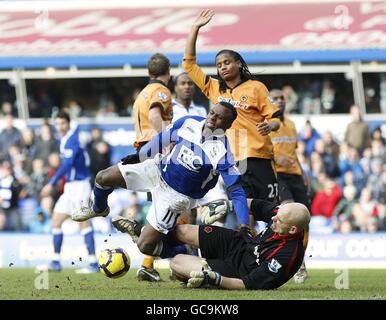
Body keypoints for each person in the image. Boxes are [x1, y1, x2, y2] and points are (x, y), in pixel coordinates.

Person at [73, 102, 250, 265]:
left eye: (219, 117)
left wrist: (244, 226)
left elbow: (236, 190)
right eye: (212, 112)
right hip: (157, 169)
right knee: (103, 177)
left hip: (176, 196)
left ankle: (184, 250)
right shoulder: (189, 122)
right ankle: (99, 208)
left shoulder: (223, 153)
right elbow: (163, 138)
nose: (212, 117)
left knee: (145, 246)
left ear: (228, 125)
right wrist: (141, 155)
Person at [78, 53, 173, 282]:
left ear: (148, 72)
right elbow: (154, 115)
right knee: (171, 214)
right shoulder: (161, 92)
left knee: (105, 179)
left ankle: (147, 262)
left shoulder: (142, 93)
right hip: (155, 156)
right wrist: (166, 142)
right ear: (168, 73)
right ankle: (145, 243)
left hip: (143, 154)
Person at [182, 9, 281, 202]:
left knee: (270, 209)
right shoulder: (214, 88)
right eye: (219, 65)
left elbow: (276, 119)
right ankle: (247, 232)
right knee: (243, 205)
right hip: (231, 158)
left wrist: (270, 126)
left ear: (238, 64)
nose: (223, 67)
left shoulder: (256, 87)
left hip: (259, 157)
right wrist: (194, 28)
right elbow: (189, 65)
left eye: (227, 62)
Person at [115, 198, 310, 290]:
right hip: (239, 244)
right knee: (182, 230)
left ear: (293, 230)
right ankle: (143, 232)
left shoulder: (288, 255)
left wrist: (215, 279)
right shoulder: (281, 214)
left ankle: (177, 251)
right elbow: (254, 205)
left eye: (278, 221)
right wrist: (228, 205)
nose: (272, 220)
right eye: (275, 216)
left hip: (238, 270)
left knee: (176, 262)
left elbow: (249, 284)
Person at [38, 111, 98, 273]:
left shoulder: (71, 140)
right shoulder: (66, 139)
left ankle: (93, 263)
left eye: (62, 123)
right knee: (56, 220)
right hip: (70, 187)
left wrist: (51, 183)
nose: (60, 126)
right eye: (57, 124)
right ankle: (56, 262)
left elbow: (67, 165)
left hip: (79, 186)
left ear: (68, 123)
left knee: (83, 222)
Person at [268, 89, 311, 284]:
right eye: (275, 98)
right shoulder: (267, 124)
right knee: (288, 211)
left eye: (281, 98)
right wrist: (277, 158)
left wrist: (303, 174)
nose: (279, 101)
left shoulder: (292, 125)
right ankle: (283, 257)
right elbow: (262, 151)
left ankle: (300, 261)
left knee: (303, 218)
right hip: (278, 175)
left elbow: (294, 153)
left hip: (295, 175)